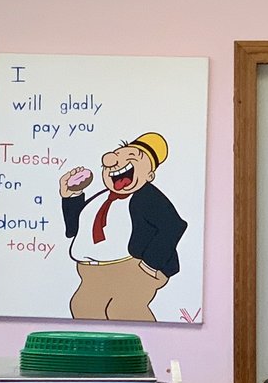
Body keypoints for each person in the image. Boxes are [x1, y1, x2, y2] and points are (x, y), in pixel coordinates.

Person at [59, 132, 188, 322]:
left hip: (131, 267)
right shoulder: (101, 198)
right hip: (91, 272)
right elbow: (75, 229)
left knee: (124, 309)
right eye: (117, 155)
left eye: (131, 157)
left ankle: (148, 341)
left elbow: (174, 226)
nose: (113, 161)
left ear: (150, 175)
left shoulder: (147, 197)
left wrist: (150, 264)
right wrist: (71, 195)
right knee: (83, 306)